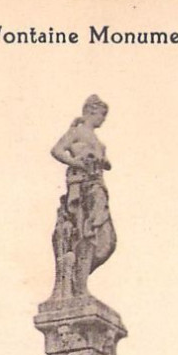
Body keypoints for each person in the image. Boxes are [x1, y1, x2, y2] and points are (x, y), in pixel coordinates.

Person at [50, 95, 117, 299]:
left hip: (98, 186)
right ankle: (78, 286)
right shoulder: (77, 132)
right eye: (102, 115)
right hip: (83, 187)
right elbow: (57, 150)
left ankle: (77, 278)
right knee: (87, 233)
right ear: (91, 111)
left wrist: (102, 161)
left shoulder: (98, 141)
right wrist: (77, 162)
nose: (103, 120)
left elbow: (107, 164)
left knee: (107, 241)